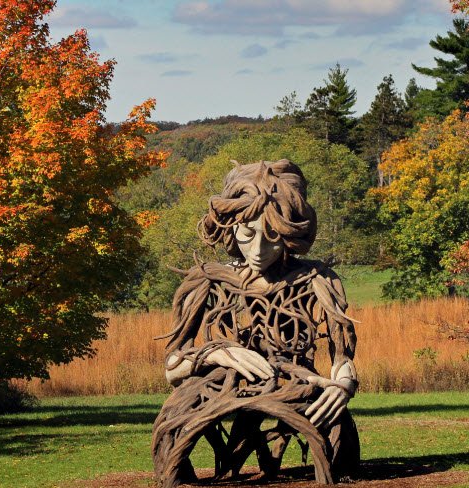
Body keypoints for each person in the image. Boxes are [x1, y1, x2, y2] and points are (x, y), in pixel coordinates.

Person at [151, 159, 359, 487]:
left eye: (273, 237)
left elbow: (342, 359)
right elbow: (172, 368)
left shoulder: (317, 280)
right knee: (176, 416)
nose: (259, 250)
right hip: (221, 382)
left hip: (296, 382)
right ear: (231, 228)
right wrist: (214, 355)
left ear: (292, 233)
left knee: (334, 428)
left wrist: (344, 385)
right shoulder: (207, 281)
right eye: (247, 235)